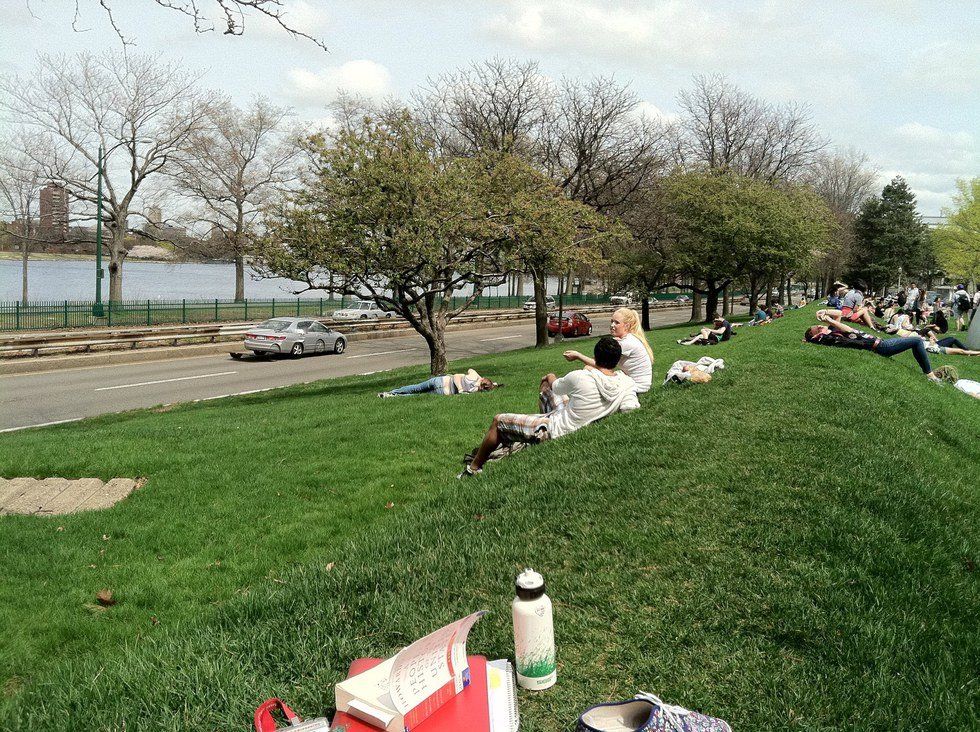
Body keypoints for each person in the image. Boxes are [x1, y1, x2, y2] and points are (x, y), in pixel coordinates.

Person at [459, 337, 639, 477]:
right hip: (564, 416)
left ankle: (473, 469)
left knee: (499, 420)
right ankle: (527, 437)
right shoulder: (626, 383)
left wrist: (551, 375)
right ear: (616, 361)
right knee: (549, 392)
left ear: (595, 357)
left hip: (555, 429)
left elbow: (556, 387)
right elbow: (630, 408)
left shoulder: (582, 376)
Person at [804, 314, 946, 379]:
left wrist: (825, 314)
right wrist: (816, 335)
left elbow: (839, 316)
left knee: (915, 341)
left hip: (881, 342)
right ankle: (930, 374)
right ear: (818, 334)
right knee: (916, 341)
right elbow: (846, 330)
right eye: (818, 327)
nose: (821, 325)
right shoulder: (832, 337)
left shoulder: (833, 332)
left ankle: (930, 373)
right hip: (880, 346)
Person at [563, 307, 653, 393]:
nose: (612, 325)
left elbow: (600, 364)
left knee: (589, 369)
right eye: (611, 321)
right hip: (635, 383)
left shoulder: (626, 343)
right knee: (593, 370)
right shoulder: (628, 339)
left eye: (616, 323)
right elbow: (600, 361)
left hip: (637, 387)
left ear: (627, 326)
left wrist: (578, 355)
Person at [379, 369, 497, 398]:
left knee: (416, 389)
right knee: (418, 394)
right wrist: (461, 390)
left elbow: (457, 375)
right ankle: (391, 396)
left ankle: (393, 393)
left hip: (440, 381)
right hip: (442, 391)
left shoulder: (474, 376)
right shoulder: (475, 391)